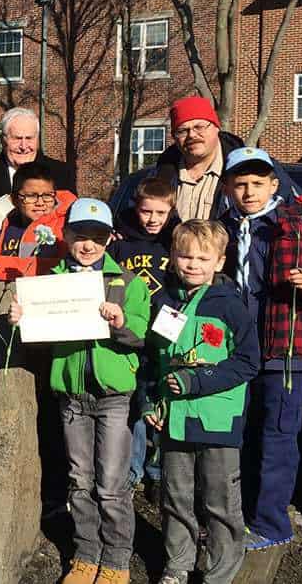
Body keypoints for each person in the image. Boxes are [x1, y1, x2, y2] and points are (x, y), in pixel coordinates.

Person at [9, 199, 150, 584]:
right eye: (80, 235)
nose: (88, 245)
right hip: (72, 397)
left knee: (112, 485)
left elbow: (141, 335)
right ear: (66, 235)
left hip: (113, 398)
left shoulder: (128, 283)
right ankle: (86, 555)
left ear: (110, 239)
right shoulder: (50, 283)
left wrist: (121, 322)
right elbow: (40, 337)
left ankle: (117, 561)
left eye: (97, 237)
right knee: (80, 480)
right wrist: (22, 319)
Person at [219, 147, 302, 551]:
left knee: (277, 437)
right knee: (236, 436)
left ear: (274, 185)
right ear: (227, 187)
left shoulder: (295, 228)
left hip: (284, 350)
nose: (249, 192)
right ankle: (235, 517)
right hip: (233, 352)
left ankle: (272, 525)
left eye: (258, 184)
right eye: (240, 184)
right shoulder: (221, 229)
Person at [143, 220, 260, 584]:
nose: (193, 264)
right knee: (175, 496)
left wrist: (196, 380)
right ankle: (178, 563)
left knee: (219, 500)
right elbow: (152, 359)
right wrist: (149, 402)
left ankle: (219, 572)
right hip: (174, 419)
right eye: (185, 256)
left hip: (217, 420)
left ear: (219, 262)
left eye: (202, 258)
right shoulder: (164, 301)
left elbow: (248, 362)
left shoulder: (230, 307)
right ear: (173, 256)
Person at [109, 177, 180, 496]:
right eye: (146, 211)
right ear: (135, 207)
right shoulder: (121, 241)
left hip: (165, 327)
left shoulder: (174, 240)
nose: (152, 219)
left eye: (160, 213)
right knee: (135, 401)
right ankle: (133, 470)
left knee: (161, 396)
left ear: (171, 211)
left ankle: (158, 471)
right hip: (131, 327)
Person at [153, 96, 300, 221]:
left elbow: (300, 217)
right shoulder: (161, 175)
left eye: (199, 127)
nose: (192, 135)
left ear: (216, 127)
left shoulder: (257, 168)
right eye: (182, 131)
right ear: (174, 137)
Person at [0, 107, 75, 212]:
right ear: (2, 140)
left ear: (37, 139)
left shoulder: (61, 173)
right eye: (17, 138)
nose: (23, 146)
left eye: (29, 138)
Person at [0, 161, 76, 282]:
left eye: (47, 195)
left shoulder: (66, 225)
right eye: (31, 196)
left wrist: (13, 265)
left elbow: (61, 269)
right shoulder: (10, 222)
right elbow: (0, 270)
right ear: (14, 200)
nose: (40, 203)